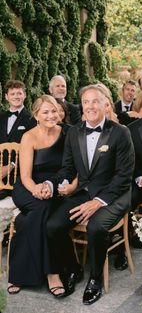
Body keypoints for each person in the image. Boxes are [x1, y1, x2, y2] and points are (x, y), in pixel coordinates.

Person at [46, 85, 135, 305]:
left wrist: (98, 202)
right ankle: (74, 268)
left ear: (106, 104)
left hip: (115, 193)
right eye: (86, 102)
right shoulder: (74, 132)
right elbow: (67, 168)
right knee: (53, 226)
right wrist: (52, 183)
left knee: (96, 227)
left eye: (95, 101)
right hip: (84, 190)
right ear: (82, 106)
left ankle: (95, 279)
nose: (90, 106)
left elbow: (124, 176)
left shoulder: (120, 132)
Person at [8, 95, 78, 297]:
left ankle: (18, 274)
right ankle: (53, 273)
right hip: (28, 187)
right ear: (36, 115)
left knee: (26, 219)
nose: (51, 115)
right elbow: (25, 176)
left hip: (55, 186)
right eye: (45, 112)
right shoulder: (28, 137)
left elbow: (71, 167)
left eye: (54, 111)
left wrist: (52, 187)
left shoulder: (67, 133)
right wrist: (36, 189)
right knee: (41, 208)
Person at [0, 80, 36, 199]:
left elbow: (34, 149)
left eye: (19, 93)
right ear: (6, 96)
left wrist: (11, 165)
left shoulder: (32, 119)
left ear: (24, 95)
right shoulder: (1, 118)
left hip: (19, 174)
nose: (16, 96)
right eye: (12, 94)